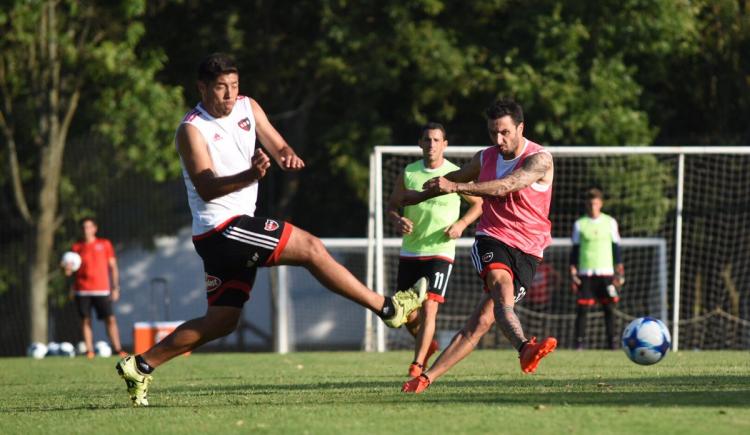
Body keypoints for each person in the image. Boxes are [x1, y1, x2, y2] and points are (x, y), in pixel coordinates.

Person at [115, 53, 426, 406]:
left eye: (234, 86)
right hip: (222, 230)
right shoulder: (191, 129)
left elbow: (278, 146)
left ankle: (140, 365)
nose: (230, 94)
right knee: (311, 248)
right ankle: (388, 308)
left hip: (228, 232)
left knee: (221, 320)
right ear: (202, 88)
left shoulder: (248, 107)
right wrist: (250, 175)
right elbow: (206, 187)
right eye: (221, 88)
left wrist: (286, 157)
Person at [401, 98, 558, 394]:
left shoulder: (539, 159)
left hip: (529, 251)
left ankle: (424, 379)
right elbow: (448, 180)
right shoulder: (484, 158)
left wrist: (457, 187)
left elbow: (506, 185)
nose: (498, 140)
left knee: (483, 321)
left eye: (505, 133)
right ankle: (525, 348)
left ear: (520, 128)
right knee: (500, 288)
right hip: (493, 237)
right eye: (492, 133)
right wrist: (414, 197)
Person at [387, 122, 483, 377]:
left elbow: (479, 204)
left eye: (436, 140)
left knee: (430, 306)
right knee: (407, 312)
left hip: (440, 250)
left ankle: (417, 365)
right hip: (410, 250)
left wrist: (461, 224)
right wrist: (398, 220)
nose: (431, 144)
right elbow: (393, 206)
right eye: (427, 140)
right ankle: (427, 346)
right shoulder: (409, 173)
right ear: (420, 143)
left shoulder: (455, 173)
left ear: (445, 144)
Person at [63, 217, 127, 359]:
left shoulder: (104, 244)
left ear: (94, 228)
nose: (86, 230)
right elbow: (70, 271)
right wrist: (67, 271)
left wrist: (115, 287)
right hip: (82, 290)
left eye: (89, 227)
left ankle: (118, 349)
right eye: (84, 227)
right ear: (81, 230)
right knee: (85, 320)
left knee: (110, 319)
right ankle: (89, 351)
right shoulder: (76, 247)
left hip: (101, 289)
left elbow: (113, 267)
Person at [569, 188, 625, 350]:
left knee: (609, 309)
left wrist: (619, 269)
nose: (593, 206)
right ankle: (579, 343)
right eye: (590, 203)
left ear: (600, 204)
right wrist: (573, 270)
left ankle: (612, 344)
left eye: (596, 203)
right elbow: (575, 250)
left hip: (606, 273)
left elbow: (616, 247)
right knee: (582, 309)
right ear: (587, 205)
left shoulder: (610, 222)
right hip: (586, 273)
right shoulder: (580, 224)